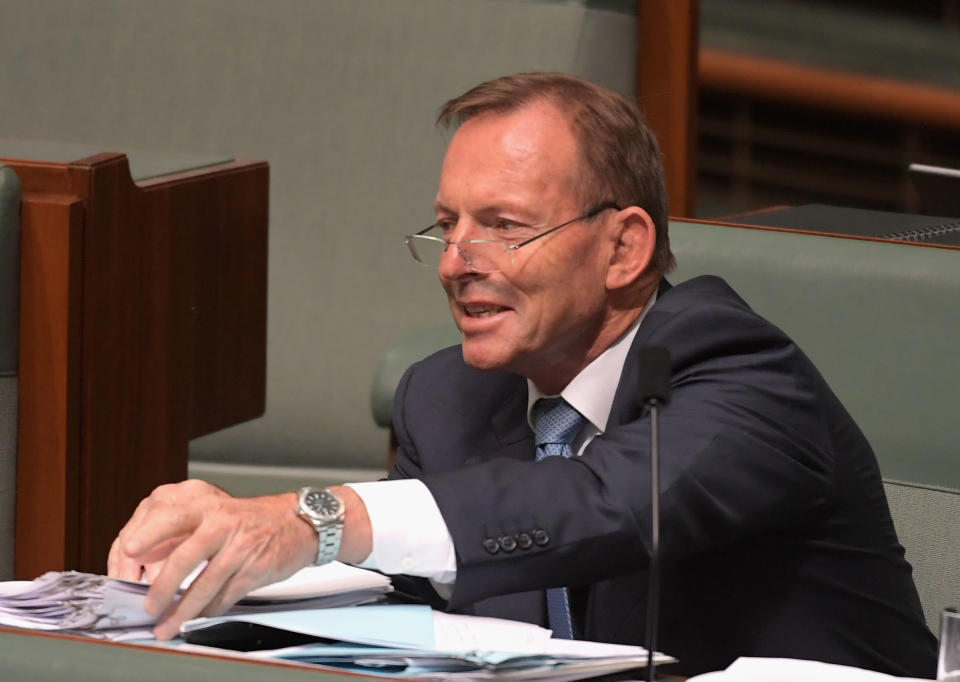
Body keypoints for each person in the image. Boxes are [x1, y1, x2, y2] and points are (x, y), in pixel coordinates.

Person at [108, 73, 937, 677]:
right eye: (447, 226)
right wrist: (227, 564)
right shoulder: (446, 395)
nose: (458, 262)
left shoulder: (742, 374)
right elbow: (420, 571)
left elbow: (600, 503)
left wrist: (313, 515)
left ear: (624, 247)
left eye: (504, 226)